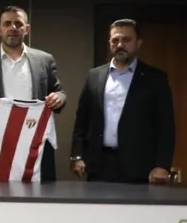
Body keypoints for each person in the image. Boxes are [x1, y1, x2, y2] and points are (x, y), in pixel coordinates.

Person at [0, 5, 66, 182]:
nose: (13, 28)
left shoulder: (44, 60)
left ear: (27, 29)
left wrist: (59, 98)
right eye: (7, 23)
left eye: (18, 24)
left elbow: (59, 91)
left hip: (34, 142)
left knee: (38, 196)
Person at [70, 19, 175, 183]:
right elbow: (81, 122)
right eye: (115, 40)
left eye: (126, 40)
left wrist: (162, 165)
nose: (120, 45)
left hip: (139, 167)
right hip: (99, 165)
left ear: (138, 43)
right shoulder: (94, 76)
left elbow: (166, 126)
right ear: (109, 43)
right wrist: (77, 155)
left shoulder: (155, 79)